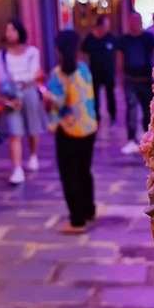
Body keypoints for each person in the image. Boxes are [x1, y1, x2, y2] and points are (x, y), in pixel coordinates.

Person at [45, 30, 97, 234]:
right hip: (88, 127)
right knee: (84, 171)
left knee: (70, 175)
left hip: (68, 130)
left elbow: (57, 102)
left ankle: (77, 221)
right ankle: (89, 210)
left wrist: (46, 96)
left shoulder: (58, 74)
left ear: (58, 49)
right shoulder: (84, 68)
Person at [0, 20, 46, 185]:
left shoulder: (32, 52)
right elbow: (1, 77)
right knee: (14, 132)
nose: (9, 33)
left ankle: (33, 155)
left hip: (29, 92)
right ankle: (17, 169)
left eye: (12, 30)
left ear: (20, 32)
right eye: (7, 30)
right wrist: (8, 94)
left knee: (33, 128)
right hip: (10, 94)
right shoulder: (1, 55)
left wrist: (22, 81)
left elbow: (33, 73)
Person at [116, 12, 154, 154]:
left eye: (136, 20)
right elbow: (119, 61)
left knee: (148, 110)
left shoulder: (149, 38)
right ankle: (132, 139)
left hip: (146, 80)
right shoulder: (123, 40)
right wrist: (121, 81)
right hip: (130, 80)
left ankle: (149, 137)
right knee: (131, 110)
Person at [81, 15, 117, 124]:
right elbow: (83, 54)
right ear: (100, 26)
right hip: (94, 71)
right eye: (106, 25)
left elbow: (117, 53)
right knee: (94, 94)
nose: (108, 27)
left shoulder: (110, 38)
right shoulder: (90, 39)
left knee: (110, 93)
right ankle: (96, 116)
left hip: (108, 71)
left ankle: (112, 114)